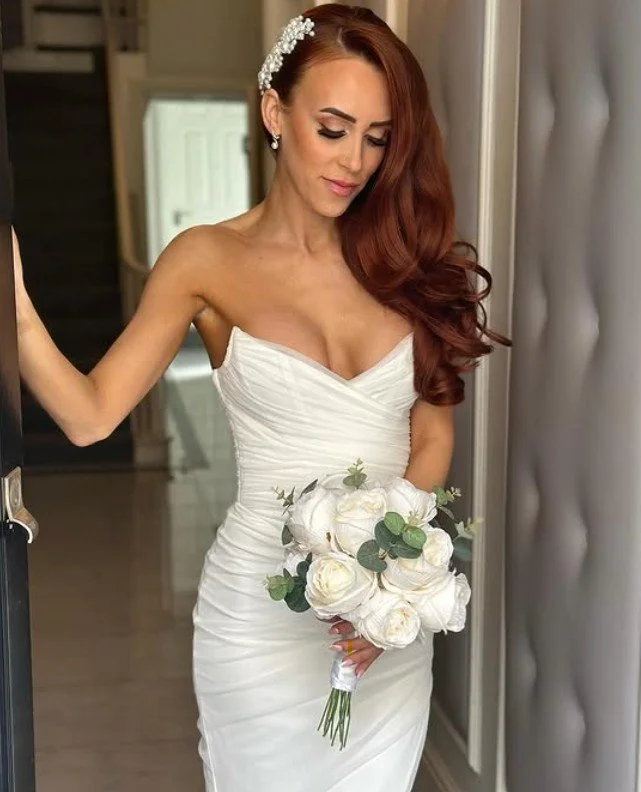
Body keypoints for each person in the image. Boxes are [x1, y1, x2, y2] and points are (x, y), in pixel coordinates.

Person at [12, 4, 509, 790]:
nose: (352, 160)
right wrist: (17, 310)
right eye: (332, 127)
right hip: (257, 619)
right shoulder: (205, 259)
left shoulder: (408, 261)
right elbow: (88, 416)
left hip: (381, 634)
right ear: (275, 111)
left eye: (376, 138)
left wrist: (387, 593)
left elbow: (430, 441)